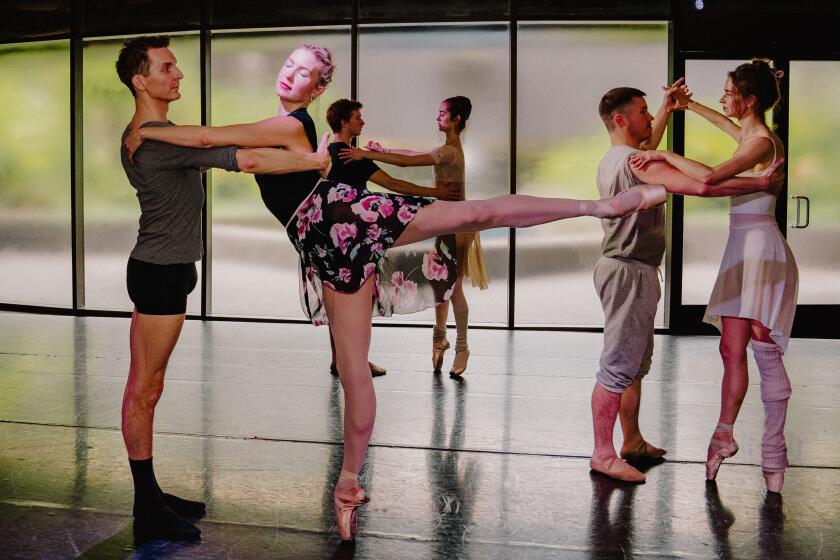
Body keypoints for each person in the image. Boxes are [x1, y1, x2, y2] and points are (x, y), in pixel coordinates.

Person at [124, 43, 673, 541]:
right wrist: (150, 134)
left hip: (339, 222)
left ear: (317, 91)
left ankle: (597, 208)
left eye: (307, 74)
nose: (293, 75)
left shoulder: (288, 123)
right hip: (329, 244)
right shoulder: (285, 129)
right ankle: (346, 487)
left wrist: (145, 131)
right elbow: (214, 146)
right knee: (355, 366)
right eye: (289, 65)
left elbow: (212, 141)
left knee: (473, 216)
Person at [115, 35, 331, 543]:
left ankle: (152, 494)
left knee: (151, 385)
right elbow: (249, 160)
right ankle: (146, 507)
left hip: (168, 269)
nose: (179, 74)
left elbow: (246, 154)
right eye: (167, 68)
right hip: (159, 272)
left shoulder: (163, 133)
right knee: (144, 389)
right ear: (140, 81)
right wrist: (316, 162)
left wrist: (308, 160)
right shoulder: (154, 139)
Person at [590, 83, 785, 483]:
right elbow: (702, 185)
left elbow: (652, 145)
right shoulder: (636, 161)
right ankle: (603, 454)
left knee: (633, 366)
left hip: (634, 269)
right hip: (628, 272)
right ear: (620, 120)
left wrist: (669, 107)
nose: (651, 119)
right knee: (616, 368)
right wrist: (760, 184)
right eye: (644, 112)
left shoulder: (616, 157)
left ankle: (632, 441)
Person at [339, 96, 489, 376]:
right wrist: (383, 149)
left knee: (453, 288)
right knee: (441, 285)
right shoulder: (447, 148)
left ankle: (462, 346)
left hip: (457, 227)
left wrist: (368, 154)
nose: (437, 117)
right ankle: (440, 337)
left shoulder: (451, 152)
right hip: (447, 221)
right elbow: (409, 154)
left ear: (456, 119)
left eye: (442, 114)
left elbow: (409, 163)